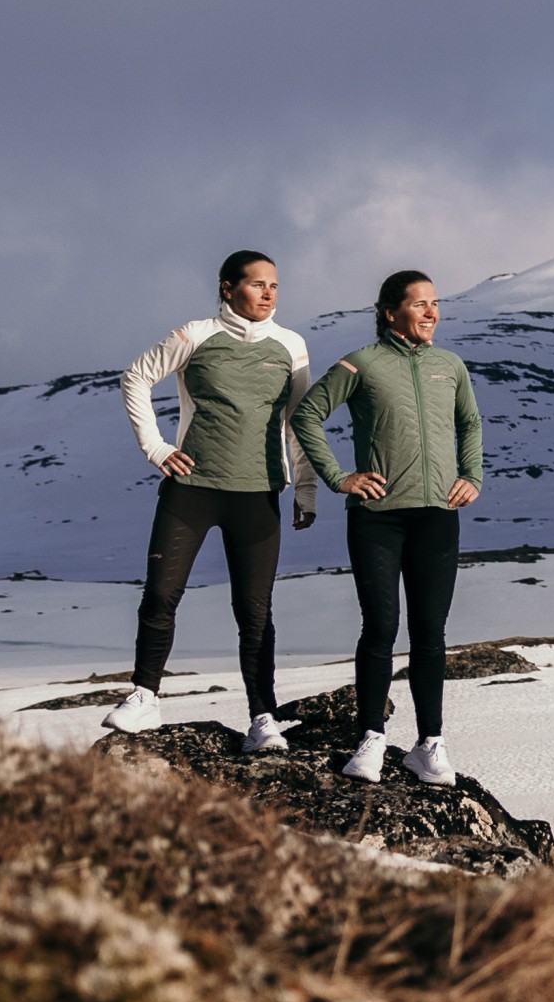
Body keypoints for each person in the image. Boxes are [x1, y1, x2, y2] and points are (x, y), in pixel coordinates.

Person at [107, 249, 315, 749]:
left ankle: (263, 718)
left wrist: (305, 486)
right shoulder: (195, 335)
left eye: (275, 286)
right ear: (228, 288)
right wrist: (156, 448)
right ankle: (144, 696)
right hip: (193, 490)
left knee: (255, 611)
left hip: (257, 493)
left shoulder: (291, 346)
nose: (268, 294)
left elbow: (297, 421)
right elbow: (134, 377)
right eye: (257, 284)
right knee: (161, 594)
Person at [293, 268, 483, 785]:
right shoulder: (363, 363)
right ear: (390, 311)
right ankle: (372, 739)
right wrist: (338, 477)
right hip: (378, 517)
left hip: (438, 516)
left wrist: (472, 476)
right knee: (379, 628)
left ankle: (429, 745)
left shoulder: (451, 366)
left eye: (435, 303)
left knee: (430, 633)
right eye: (419, 304)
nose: (431, 312)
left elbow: (469, 423)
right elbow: (307, 414)